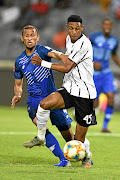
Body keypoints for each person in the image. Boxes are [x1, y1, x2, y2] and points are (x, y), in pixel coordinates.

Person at [24, 15, 97, 168]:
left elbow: (67, 67)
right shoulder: (69, 40)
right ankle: (41, 137)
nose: (74, 31)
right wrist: (59, 55)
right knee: (44, 104)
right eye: (71, 28)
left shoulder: (84, 44)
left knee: (78, 140)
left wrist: (42, 62)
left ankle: (87, 157)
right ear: (67, 28)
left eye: (77, 28)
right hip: (70, 88)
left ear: (82, 28)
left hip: (84, 93)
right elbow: (67, 59)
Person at [11, 25, 75, 167]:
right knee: (41, 127)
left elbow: (55, 54)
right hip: (34, 100)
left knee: (67, 134)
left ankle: (82, 154)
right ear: (22, 39)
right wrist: (18, 94)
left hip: (53, 98)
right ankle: (63, 160)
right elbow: (18, 83)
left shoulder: (42, 50)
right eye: (26, 36)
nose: (30, 38)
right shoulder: (19, 61)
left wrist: (63, 57)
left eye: (32, 35)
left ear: (37, 38)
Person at [88, 18, 120, 133]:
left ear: (111, 26)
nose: (107, 26)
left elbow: (114, 55)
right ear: (102, 25)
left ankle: (105, 127)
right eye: (105, 24)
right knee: (95, 103)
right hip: (94, 74)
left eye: (109, 24)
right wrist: (92, 63)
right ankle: (79, 113)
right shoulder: (93, 37)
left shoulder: (114, 41)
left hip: (106, 73)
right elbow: (83, 51)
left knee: (111, 97)